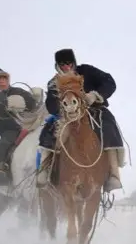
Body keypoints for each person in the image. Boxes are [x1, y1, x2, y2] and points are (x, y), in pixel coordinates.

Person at [37, 49, 125, 192]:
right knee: (49, 129)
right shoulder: (54, 82)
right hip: (68, 115)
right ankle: (44, 169)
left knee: (108, 125)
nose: (66, 67)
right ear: (57, 65)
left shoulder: (87, 71)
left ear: (74, 62)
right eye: (62, 64)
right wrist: (62, 107)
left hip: (94, 110)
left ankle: (114, 174)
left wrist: (96, 95)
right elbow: (51, 104)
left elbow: (109, 82)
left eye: (69, 63)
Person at [0, 67, 38, 177]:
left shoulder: (19, 91)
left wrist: (25, 103)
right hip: (9, 129)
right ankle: (0, 165)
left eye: (4, 78)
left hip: (29, 124)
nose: (2, 80)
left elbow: (32, 103)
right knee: (5, 141)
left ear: (8, 79)